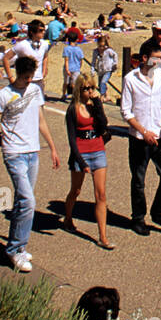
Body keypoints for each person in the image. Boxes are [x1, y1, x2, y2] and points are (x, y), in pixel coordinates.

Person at [0, 56, 61, 273]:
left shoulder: (35, 91)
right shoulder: (3, 95)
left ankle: (19, 245)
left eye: (31, 78)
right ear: (17, 73)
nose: (28, 81)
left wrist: (52, 147)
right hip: (13, 152)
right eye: (25, 78)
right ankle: (15, 248)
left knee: (22, 201)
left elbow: (41, 121)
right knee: (28, 201)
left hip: (32, 151)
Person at [120, 38, 161, 236]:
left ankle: (158, 213)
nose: (159, 62)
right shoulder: (131, 79)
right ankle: (138, 218)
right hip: (139, 138)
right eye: (156, 59)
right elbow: (126, 111)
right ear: (145, 58)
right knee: (138, 179)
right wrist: (144, 131)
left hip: (159, 136)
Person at [62, 72, 113, 249]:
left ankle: (103, 236)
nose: (90, 91)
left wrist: (98, 103)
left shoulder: (93, 106)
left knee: (101, 194)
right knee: (76, 190)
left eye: (92, 88)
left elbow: (103, 124)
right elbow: (71, 138)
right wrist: (81, 162)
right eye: (86, 88)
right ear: (79, 89)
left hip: (98, 150)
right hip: (81, 152)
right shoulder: (73, 109)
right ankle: (68, 218)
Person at [4, 19, 50, 95]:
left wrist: (44, 70)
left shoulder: (45, 44)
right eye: (41, 30)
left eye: (44, 30)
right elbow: (6, 58)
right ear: (32, 32)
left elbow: (45, 56)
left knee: (39, 105)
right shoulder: (22, 45)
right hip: (24, 81)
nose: (43, 32)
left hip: (39, 81)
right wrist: (10, 77)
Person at [92, 34, 118, 98]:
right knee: (100, 84)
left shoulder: (108, 51)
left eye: (103, 46)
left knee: (103, 82)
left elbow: (115, 55)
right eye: (100, 46)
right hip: (100, 70)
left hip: (108, 69)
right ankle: (107, 95)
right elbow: (93, 62)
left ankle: (102, 97)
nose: (101, 48)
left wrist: (114, 64)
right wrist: (92, 70)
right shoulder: (95, 52)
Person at [61, 38, 85, 103]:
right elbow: (81, 60)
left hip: (68, 67)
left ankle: (63, 94)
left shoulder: (66, 49)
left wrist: (67, 69)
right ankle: (74, 97)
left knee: (66, 82)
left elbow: (66, 60)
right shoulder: (79, 49)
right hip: (76, 68)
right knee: (75, 84)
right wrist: (79, 67)